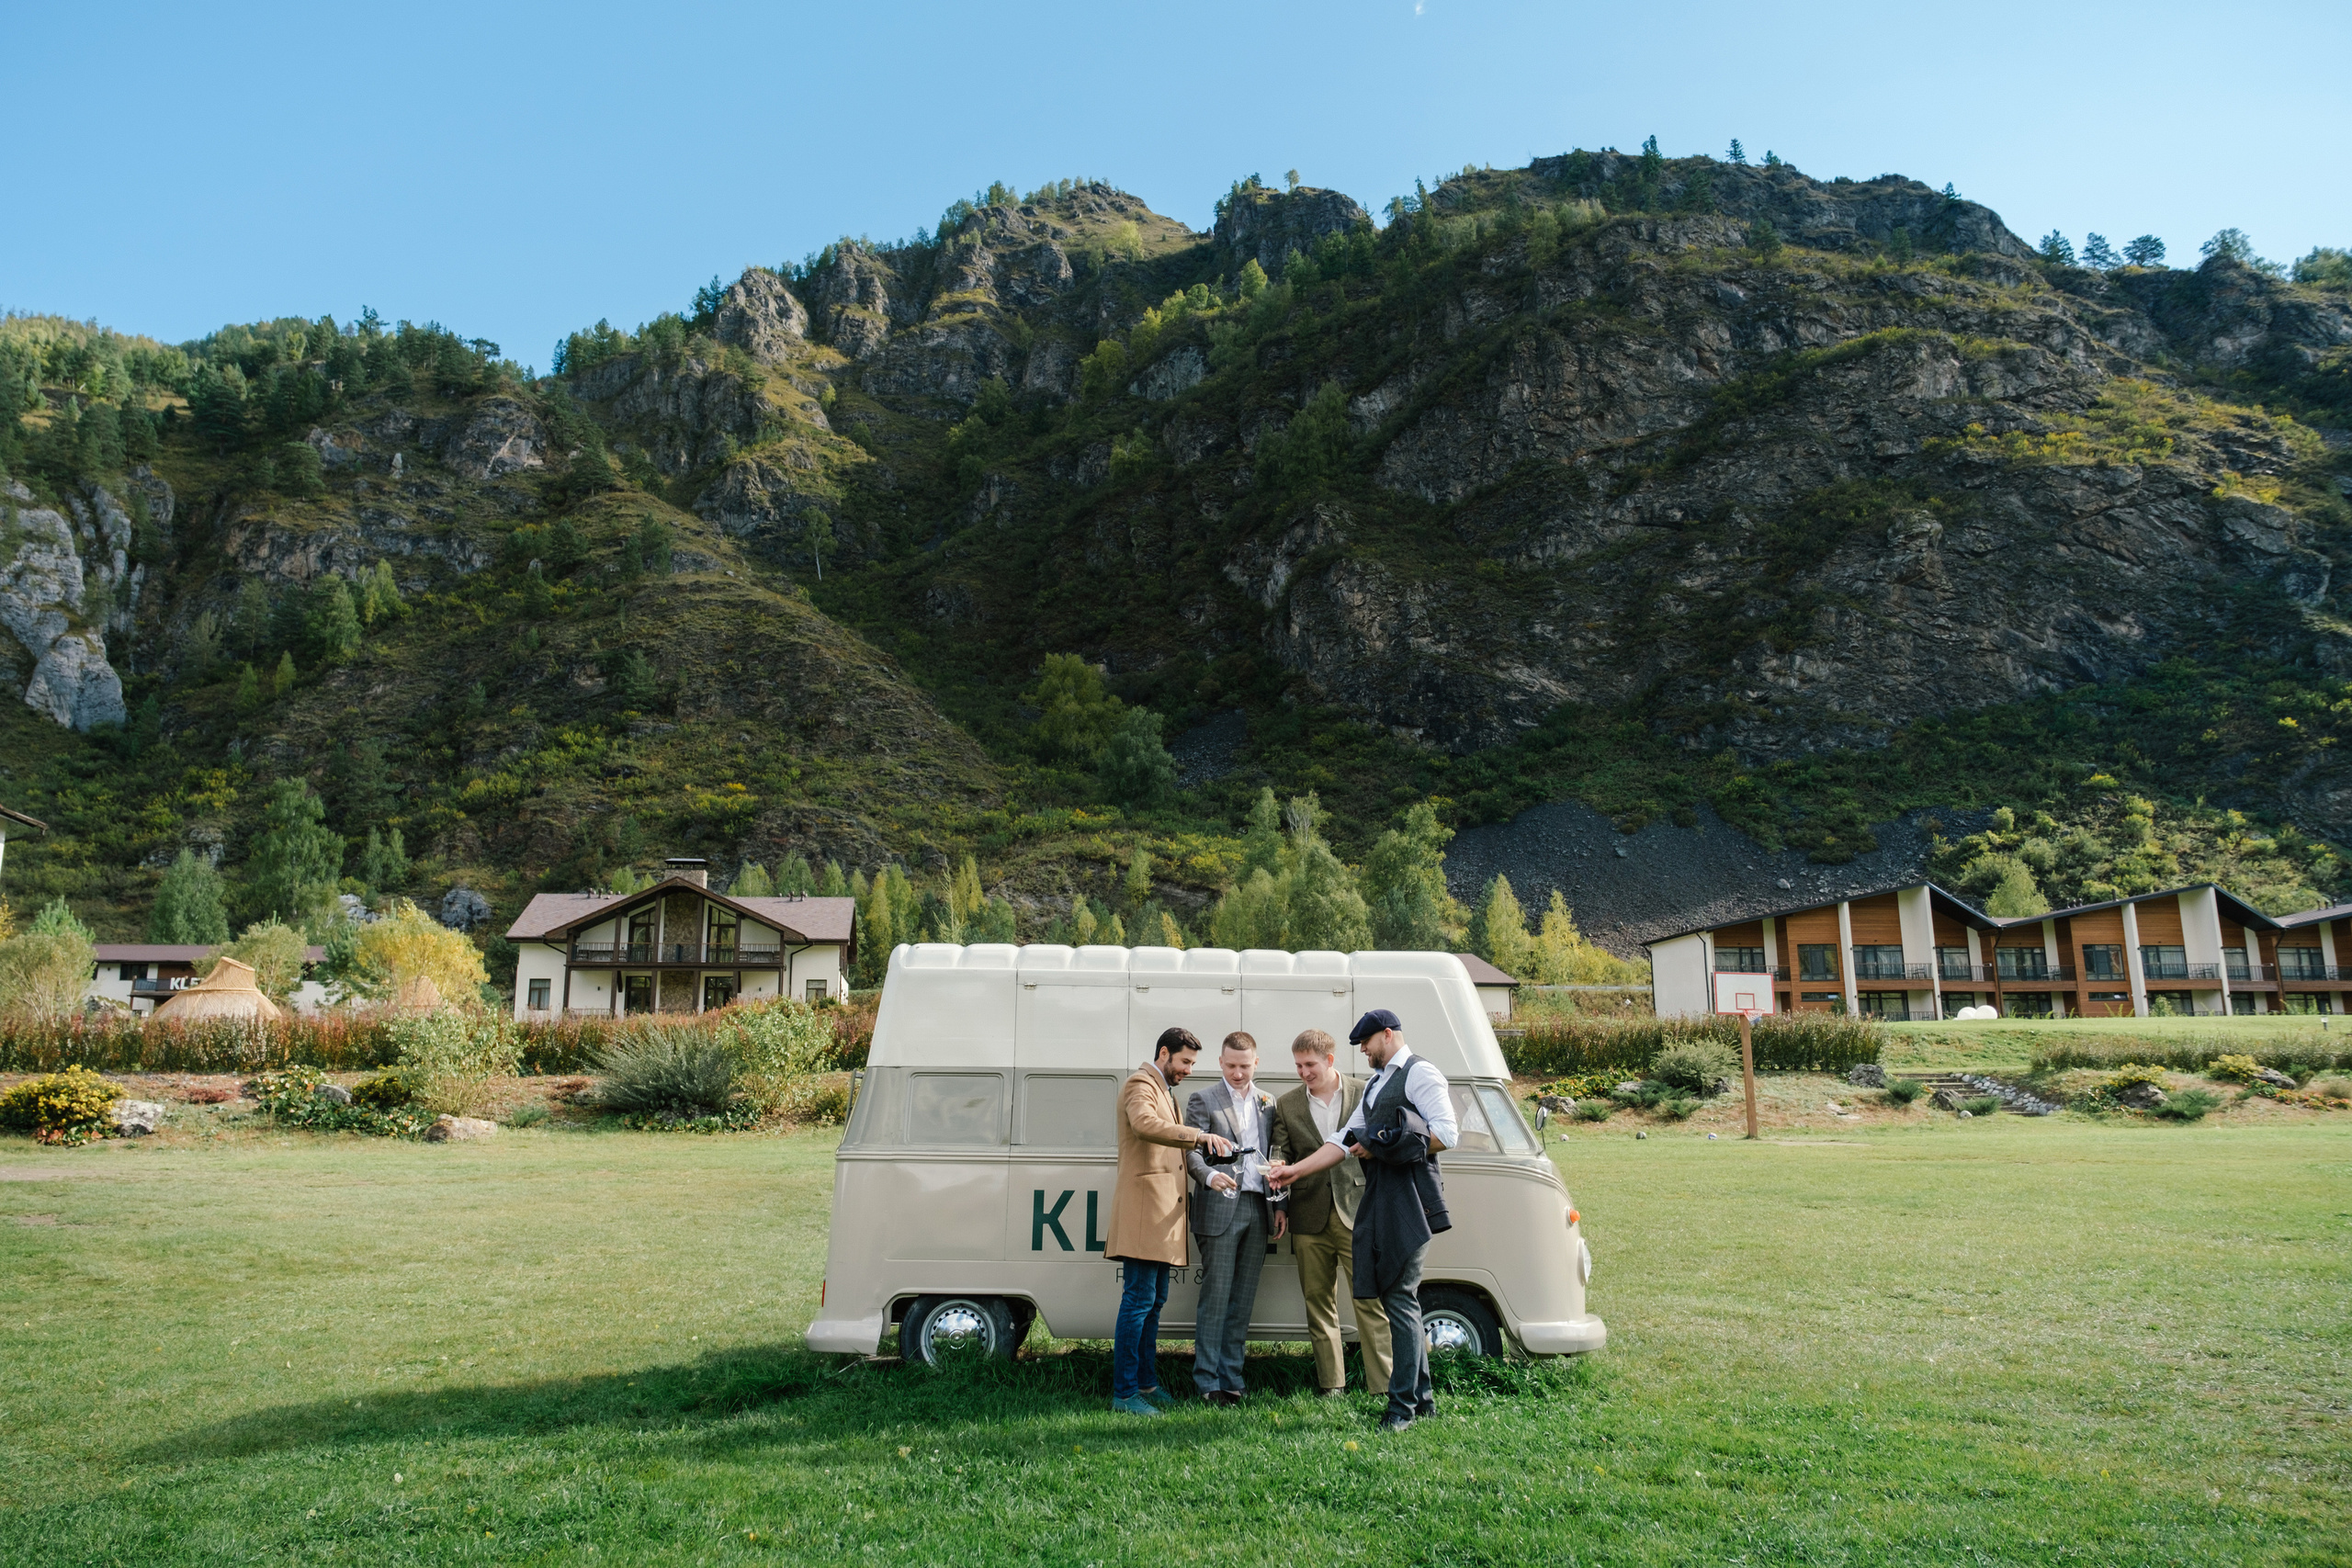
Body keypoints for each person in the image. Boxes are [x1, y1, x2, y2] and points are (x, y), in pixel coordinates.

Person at [1269, 1007, 1455, 1432]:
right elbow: (1342, 1140)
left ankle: (1401, 1408)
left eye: (1366, 1044)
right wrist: (1294, 1171)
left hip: (1410, 1200)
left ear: (1387, 1036)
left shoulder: (1421, 1074)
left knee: (1400, 1299)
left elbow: (1447, 1133)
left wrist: (1383, 1148)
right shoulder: (1377, 1084)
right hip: (1382, 1201)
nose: (1364, 1052)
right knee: (1397, 1297)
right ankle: (1422, 1400)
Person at [1105, 1025, 1233, 1417]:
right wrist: (1198, 1136)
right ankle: (1125, 1394)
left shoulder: (1167, 1092)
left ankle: (1145, 1383)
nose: (1189, 1069)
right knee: (1138, 1301)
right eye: (1185, 1062)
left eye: (1192, 1063)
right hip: (1145, 1214)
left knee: (1154, 1301)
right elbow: (1145, 1125)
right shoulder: (1140, 1085)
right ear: (1164, 1053)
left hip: (1161, 1217)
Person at [1269, 1028, 1395, 1398]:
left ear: (1329, 1060)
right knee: (1318, 1305)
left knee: (1369, 1301)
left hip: (1358, 1211)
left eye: (1310, 1064)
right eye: (1298, 1066)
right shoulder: (1286, 1104)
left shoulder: (1364, 1091)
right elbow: (1281, 1155)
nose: (1303, 1072)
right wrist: (1278, 1199)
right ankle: (1331, 1386)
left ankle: (1384, 1388)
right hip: (1308, 1216)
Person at [1183, 1031, 1284, 1405]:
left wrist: (1277, 1206)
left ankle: (1232, 1377)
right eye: (1230, 1066)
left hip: (1258, 1206)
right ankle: (1207, 1380)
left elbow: (1275, 1152)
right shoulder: (1203, 1099)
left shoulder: (1268, 1102)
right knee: (1216, 1296)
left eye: (1244, 1066)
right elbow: (1192, 1151)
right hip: (1219, 1204)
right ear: (1220, 1063)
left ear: (1255, 1063)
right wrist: (1209, 1177)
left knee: (1242, 1300)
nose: (1237, 1073)